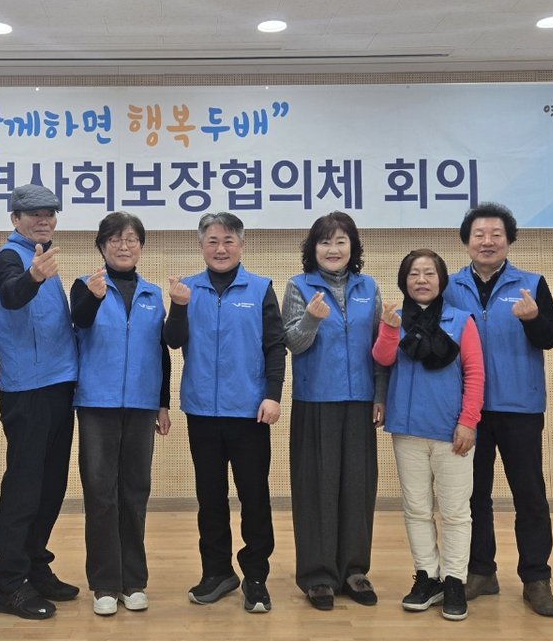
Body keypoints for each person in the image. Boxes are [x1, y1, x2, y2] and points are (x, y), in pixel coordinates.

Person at [444, 202, 553, 617]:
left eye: (496, 234)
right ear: (466, 241)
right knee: (473, 494)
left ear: (509, 240)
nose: (487, 241)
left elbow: (552, 337)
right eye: (479, 234)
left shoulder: (532, 283)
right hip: (469, 409)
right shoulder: (449, 286)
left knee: (529, 494)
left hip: (520, 406)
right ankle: (481, 571)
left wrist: (533, 319)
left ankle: (536, 578)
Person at [163, 212, 286, 614]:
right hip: (202, 412)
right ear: (201, 246)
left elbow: (275, 346)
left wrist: (272, 395)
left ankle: (255, 577)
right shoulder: (187, 289)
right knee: (210, 498)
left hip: (250, 412)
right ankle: (217, 572)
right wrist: (178, 307)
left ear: (241, 245)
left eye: (229, 240)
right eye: (212, 241)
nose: (221, 248)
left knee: (254, 497)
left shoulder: (261, 288)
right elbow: (172, 340)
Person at [281, 212, 386, 611]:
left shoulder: (368, 287)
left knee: (358, 487)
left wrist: (380, 394)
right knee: (316, 489)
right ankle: (318, 576)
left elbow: (379, 347)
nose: (333, 249)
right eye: (325, 242)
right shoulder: (299, 286)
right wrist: (311, 318)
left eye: (341, 241)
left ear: (352, 247)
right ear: (313, 249)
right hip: (316, 401)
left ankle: (355, 571)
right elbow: (292, 342)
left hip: (359, 401)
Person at [373, 249, 484, 621]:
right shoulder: (394, 318)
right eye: (414, 274)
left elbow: (475, 373)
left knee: (455, 512)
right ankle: (427, 576)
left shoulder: (461, 320)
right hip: (407, 431)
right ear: (404, 280)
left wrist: (468, 421)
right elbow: (383, 358)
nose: (421, 280)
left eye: (429, 273)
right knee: (417, 509)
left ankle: (454, 580)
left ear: (441, 280)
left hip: (451, 432)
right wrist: (389, 329)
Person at [70, 212, 172, 616]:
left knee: (135, 491)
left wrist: (162, 402)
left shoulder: (152, 295)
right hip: (97, 404)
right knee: (100, 493)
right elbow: (78, 322)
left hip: (142, 406)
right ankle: (105, 583)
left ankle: (134, 581)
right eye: (114, 239)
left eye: (131, 239)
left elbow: (161, 351)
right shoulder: (86, 286)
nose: (123, 245)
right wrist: (93, 297)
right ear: (102, 246)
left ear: (141, 247)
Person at [0, 183, 79, 620]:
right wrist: (34, 277)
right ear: (15, 219)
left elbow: (41, 324)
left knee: (51, 486)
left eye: (50, 213)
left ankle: (35, 565)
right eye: (34, 214)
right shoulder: (10, 259)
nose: (44, 220)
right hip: (29, 391)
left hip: (59, 384)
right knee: (24, 489)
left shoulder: (42, 255)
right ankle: (9, 583)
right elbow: (11, 294)